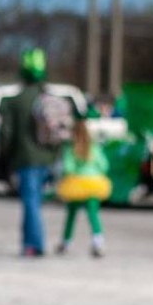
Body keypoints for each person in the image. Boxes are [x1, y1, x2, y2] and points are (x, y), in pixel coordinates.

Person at [0, 48, 65, 257]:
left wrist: (4, 157)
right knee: (35, 202)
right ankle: (32, 242)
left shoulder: (14, 102)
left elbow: (5, 135)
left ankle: (33, 244)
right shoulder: (49, 99)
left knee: (30, 203)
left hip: (26, 159)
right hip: (49, 158)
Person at [56, 108, 111, 258]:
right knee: (93, 215)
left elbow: (68, 167)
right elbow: (104, 165)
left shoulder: (71, 148)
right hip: (94, 183)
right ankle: (98, 241)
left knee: (71, 215)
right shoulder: (94, 147)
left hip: (76, 184)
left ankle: (66, 242)